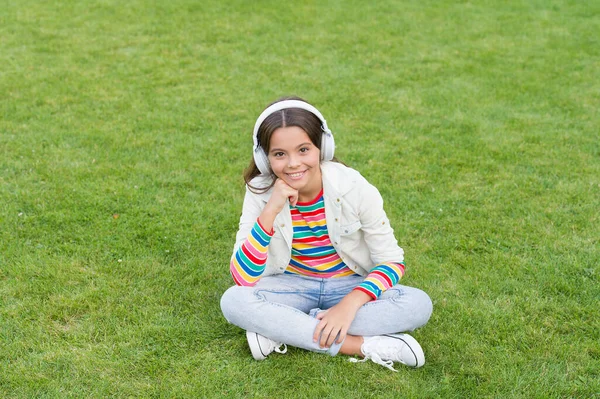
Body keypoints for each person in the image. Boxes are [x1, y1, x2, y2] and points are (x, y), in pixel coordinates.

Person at [220, 96, 433, 371]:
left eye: (303, 150)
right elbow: (243, 277)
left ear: (322, 146)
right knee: (233, 300)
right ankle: (363, 345)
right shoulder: (260, 192)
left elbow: (392, 261)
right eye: (279, 154)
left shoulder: (354, 187)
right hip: (292, 285)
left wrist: (349, 306)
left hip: (347, 286)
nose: (293, 163)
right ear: (265, 158)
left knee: (417, 304)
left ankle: (284, 327)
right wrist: (271, 209)